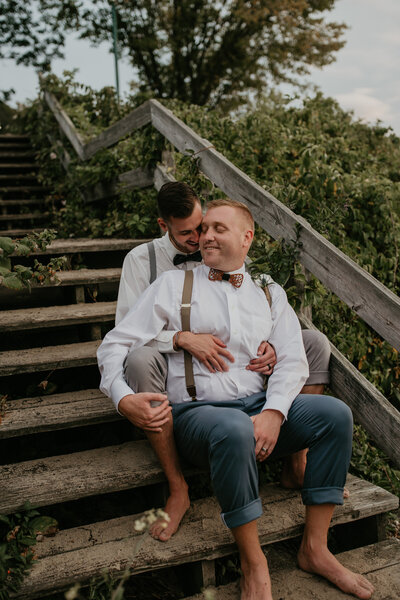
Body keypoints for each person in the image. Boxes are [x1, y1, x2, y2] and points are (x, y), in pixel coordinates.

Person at [98, 199, 373, 600]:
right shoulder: (174, 285)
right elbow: (114, 345)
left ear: (247, 238)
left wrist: (275, 413)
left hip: (259, 408)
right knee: (232, 428)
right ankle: (253, 562)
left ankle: (315, 548)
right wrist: (123, 398)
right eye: (203, 228)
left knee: (335, 414)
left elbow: (294, 358)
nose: (206, 236)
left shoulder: (268, 290)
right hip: (199, 416)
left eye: (217, 229)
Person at [113, 182, 332, 541]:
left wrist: (274, 345)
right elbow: (127, 330)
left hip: (232, 368)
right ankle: (178, 486)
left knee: (314, 344)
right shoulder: (143, 262)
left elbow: (246, 304)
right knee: (138, 359)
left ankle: (296, 460)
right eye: (190, 232)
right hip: (169, 362)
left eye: (206, 226)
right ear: (162, 226)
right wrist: (182, 338)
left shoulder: (221, 254)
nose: (200, 238)